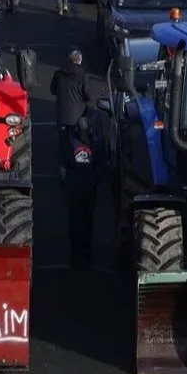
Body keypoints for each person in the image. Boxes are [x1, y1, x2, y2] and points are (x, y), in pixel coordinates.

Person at [63, 111, 107, 268]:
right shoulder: (95, 143)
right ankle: (84, 251)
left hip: (77, 187)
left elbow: (62, 164)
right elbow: (102, 165)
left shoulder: (70, 140)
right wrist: (96, 180)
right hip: (85, 187)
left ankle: (78, 252)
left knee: (77, 220)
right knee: (86, 220)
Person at [50, 49, 93, 179]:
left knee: (63, 142)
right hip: (78, 115)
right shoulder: (83, 75)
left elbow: (52, 90)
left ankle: (62, 169)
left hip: (63, 115)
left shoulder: (59, 74)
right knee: (79, 141)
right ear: (79, 61)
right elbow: (88, 96)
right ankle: (78, 166)